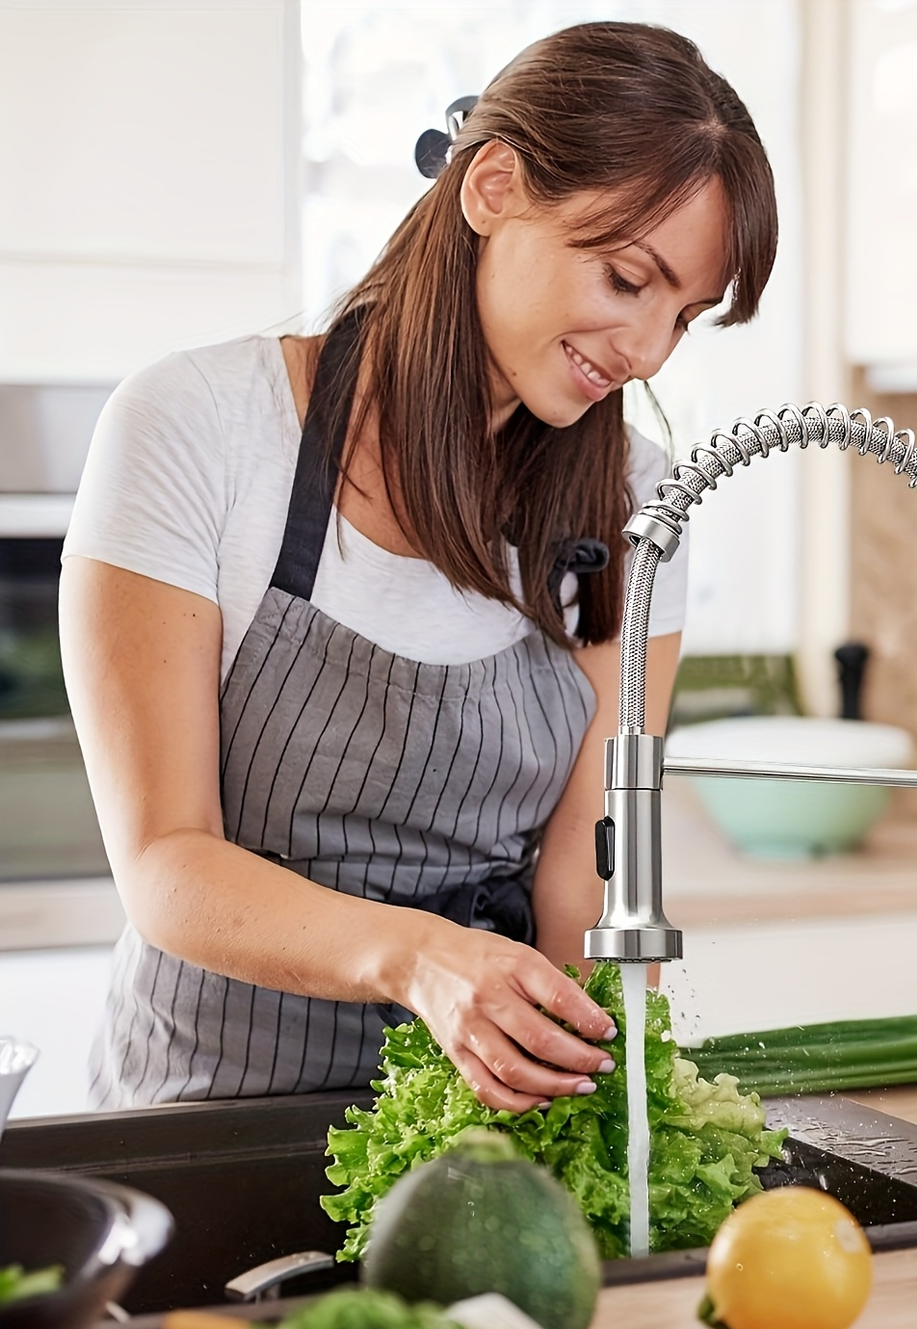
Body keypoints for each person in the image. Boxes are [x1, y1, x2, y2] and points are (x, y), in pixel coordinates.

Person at [59, 21, 778, 1114]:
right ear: (492, 186)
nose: (644, 351)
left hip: (476, 1138)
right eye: (627, 277)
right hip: (196, 1119)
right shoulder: (199, 424)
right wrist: (419, 958)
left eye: (683, 316)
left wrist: (608, 1098)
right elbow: (167, 861)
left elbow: (582, 881)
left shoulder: (635, 503)